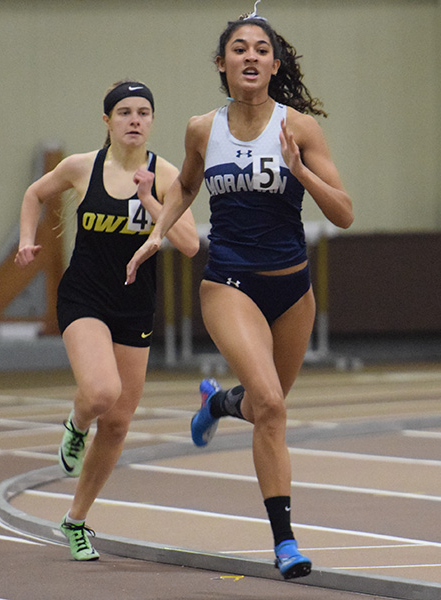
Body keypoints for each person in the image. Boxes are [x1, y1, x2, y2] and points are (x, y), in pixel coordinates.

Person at [125, 7, 353, 580]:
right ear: (223, 64)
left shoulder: (297, 128)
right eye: (239, 49)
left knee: (260, 406)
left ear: (275, 64)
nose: (250, 56)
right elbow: (185, 186)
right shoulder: (204, 127)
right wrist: (156, 235)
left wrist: (301, 172)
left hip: (292, 290)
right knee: (273, 406)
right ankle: (286, 543)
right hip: (229, 283)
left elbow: (344, 214)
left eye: (260, 49)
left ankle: (218, 404)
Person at [15, 80, 198, 560]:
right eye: (124, 112)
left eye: (143, 112)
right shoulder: (82, 167)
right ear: (107, 121)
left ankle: (75, 520)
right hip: (85, 298)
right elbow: (35, 194)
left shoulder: (166, 174)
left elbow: (190, 243)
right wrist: (25, 240)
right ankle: (76, 424)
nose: (134, 120)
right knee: (100, 393)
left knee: (117, 423)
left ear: (152, 121)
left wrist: (150, 199)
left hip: (135, 306)